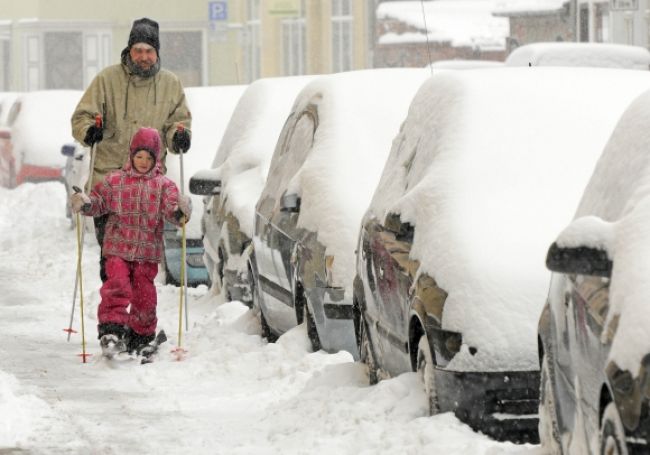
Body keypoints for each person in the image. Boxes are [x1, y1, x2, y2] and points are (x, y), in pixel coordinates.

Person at [71, 17, 192, 282]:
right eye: (138, 50)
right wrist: (88, 130)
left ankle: (139, 321)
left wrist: (179, 137)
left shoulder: (170, 84)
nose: (143, 56)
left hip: (149, 192)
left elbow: (178, 122)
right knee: (113, 265)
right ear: (129, 50)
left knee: (142, 267)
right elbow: (81, 117)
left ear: (157, 52)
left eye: (149, 51)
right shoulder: (106, 80)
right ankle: (115, 320)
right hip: (109, 187)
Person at [70, 127, 192, 354]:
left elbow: (172, 211)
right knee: (117, 286)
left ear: (156, 159)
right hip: (117, 248)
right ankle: (111, 329)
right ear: (131, 155)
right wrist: (85, 202)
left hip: (146, 254)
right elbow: (98, 203)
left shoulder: (164, 186)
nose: (143, 162)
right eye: (139, 156)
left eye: (148, 157)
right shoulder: (115, 181)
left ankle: (140, 335)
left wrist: (181, 211)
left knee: (145, 296)